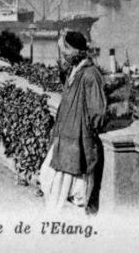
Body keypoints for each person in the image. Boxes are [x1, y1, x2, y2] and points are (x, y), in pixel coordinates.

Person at [39, 30, 107, 213]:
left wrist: (85, 130)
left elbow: (98, 112)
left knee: (74, 192)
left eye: (66, 52)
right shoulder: (75, 72)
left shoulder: (90, 75)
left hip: (77, 142)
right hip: (65, 141)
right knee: (48, 180)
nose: (64, 56)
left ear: (77, 51)